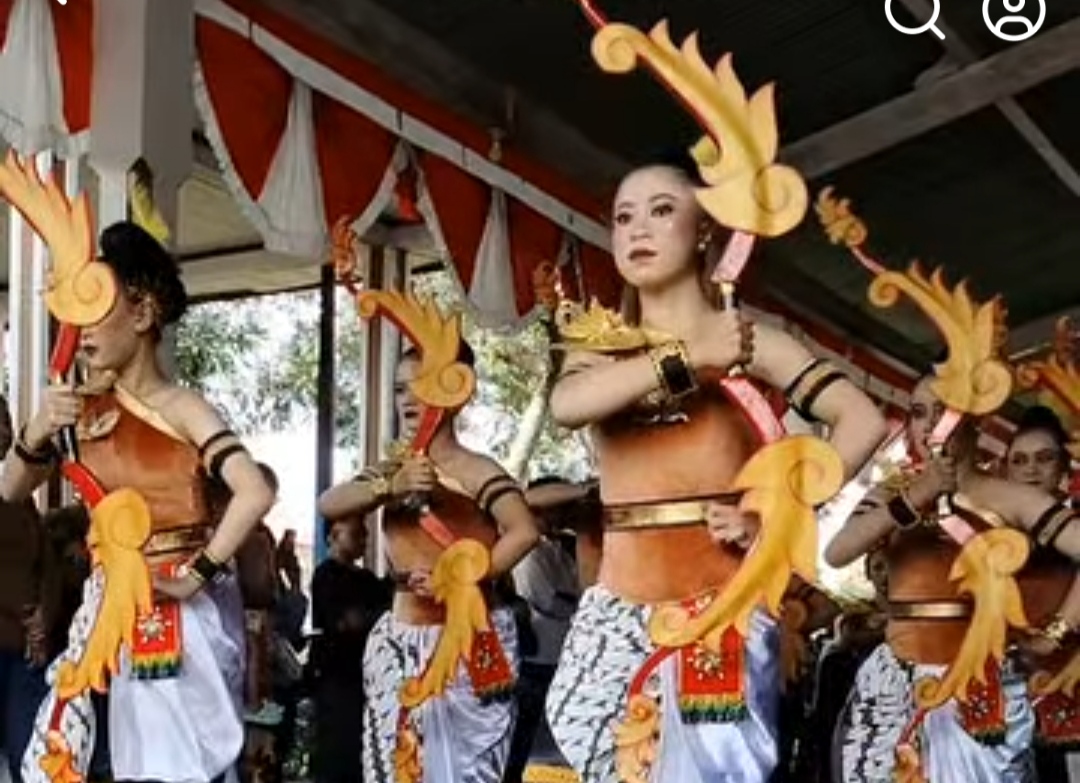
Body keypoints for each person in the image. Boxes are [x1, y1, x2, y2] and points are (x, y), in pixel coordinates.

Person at [544, 154, 888, 783]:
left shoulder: (755, 343)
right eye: (623, 218)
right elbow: (568, 406)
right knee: (588, 749)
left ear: (705, 231)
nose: (638, 229)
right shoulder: (598, 343)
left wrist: (776, 512)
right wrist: (690, 357)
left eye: (662, 210)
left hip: (720, 606)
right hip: (614, 608)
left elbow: (861, 420)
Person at [3, 221, 274, 783]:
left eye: (96, 310)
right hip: (105, 607)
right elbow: (9, 488)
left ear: (143, 312)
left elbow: (255, 492)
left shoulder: (181, 407)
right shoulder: (82, 410)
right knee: (71, 751)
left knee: (169, 764)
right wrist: (35, 430)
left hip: (170, 607)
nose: (82, 331)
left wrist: (194, 576)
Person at [826, 377, 1080, 782]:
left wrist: (1056, 632)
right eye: (918, 413)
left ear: (974, 421)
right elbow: (837, 553)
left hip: (982, 687)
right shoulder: (890, 493)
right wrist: (918, 494)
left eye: (942, 411)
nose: (928, 425)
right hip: (897, 685)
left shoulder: (1011, 498)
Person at [317, 342, 540, 783]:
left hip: (471, 630)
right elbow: (330, 503)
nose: (406, 398)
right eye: (400, 388)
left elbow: (524, 530)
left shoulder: (475, 468)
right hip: (401, 633)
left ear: (454, 390)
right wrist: (390, 485)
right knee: (398, 760)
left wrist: (464, 578)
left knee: (469, 769)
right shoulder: (391, 469)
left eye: (419, 386)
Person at [1003, 406, 1080, 781]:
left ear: (1065, 469)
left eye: (1044, 459)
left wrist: (1053, 637)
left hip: (1069, 687)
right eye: (1019, 461)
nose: (1031, 470)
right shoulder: (987, 537)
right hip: (1006, 697)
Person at [309, 514, 391, 783]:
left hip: (365, 676)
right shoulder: (326, 575)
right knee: (337, 751)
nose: (364, 540)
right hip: (336, 675)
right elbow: (347, 621)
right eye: (355, 533)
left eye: (365, 534)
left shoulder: (367, 578)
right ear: (332, 536)